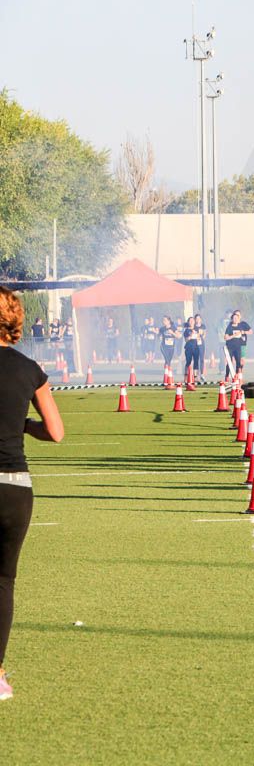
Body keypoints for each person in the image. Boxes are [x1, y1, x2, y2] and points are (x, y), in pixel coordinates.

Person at [0, 287, 65, 701]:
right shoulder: (30, 370)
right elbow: (56, 432)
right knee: (3, 581)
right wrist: (22, 425)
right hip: (14, 488)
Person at [224, 310, 251, 379]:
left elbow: (248, 332)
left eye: (237, 318)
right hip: (230, 347)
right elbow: (225, 337)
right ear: (232, 319)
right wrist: (233, 335)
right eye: (234, 318)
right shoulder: (229, 327)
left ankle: (237, 377)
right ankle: (227, 376)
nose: (236, 319)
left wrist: (242, 333)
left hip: (238, 347)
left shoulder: (241, 326)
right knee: (229, 362)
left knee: (238, 362)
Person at [182, 316, 203, 383]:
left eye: (192, 321)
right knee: (188, 362)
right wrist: (191, 336)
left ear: (194, 322)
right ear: (188, 322)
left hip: (196, 347)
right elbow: (186, 340)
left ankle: (195, 377)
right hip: (188, 348)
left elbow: (199, 338)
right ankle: (186, 376)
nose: (191, 322)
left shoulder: (197, 329)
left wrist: (198, 336)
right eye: (190, 321)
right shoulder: (186, 330)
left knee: (196, 362)